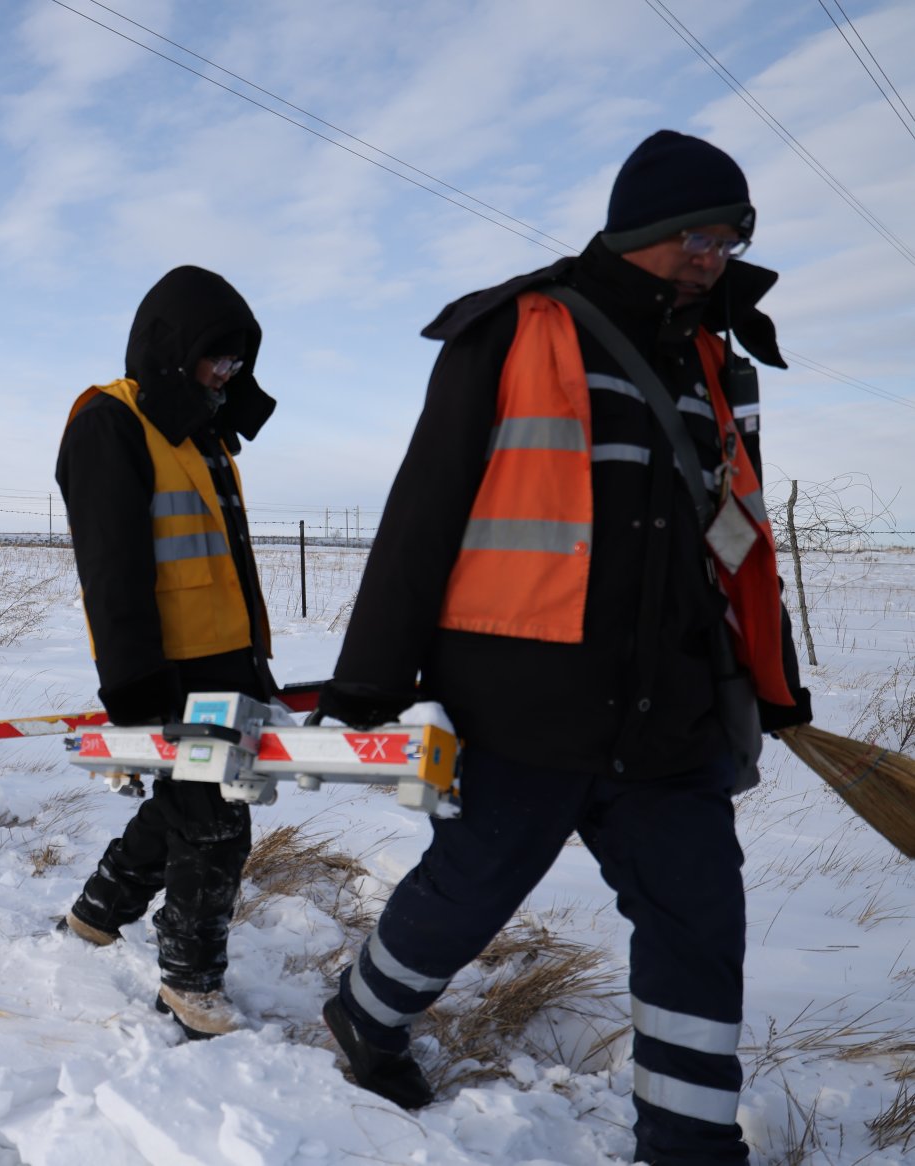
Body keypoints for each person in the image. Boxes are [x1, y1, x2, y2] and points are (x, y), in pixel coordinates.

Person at [314, 130, 811, 1165]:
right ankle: (364, 1013)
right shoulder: (513, 330)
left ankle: (688, 1144)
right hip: (522, 698)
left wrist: (772, 679)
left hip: (670, 710)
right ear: (638, 229)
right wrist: (369, 679)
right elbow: (424, 510)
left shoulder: (713, 364)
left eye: (727, 241)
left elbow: (738, 538)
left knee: (698, 918)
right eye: (695, 236)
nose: (711, 258)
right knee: (472, 886)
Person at [54, 266, 278, 1041]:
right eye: (216, 356)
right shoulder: (109, 423)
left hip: (227, 662)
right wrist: (135, 685)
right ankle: (190, 980)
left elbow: (225, 563)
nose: (227, 373)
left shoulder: (204, 432)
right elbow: (111, 569)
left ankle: (97, 914)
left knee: (189, 806)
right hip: (170, 671)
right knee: (214, 822)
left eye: (237, 360)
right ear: (172, 347)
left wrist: (254, 663)